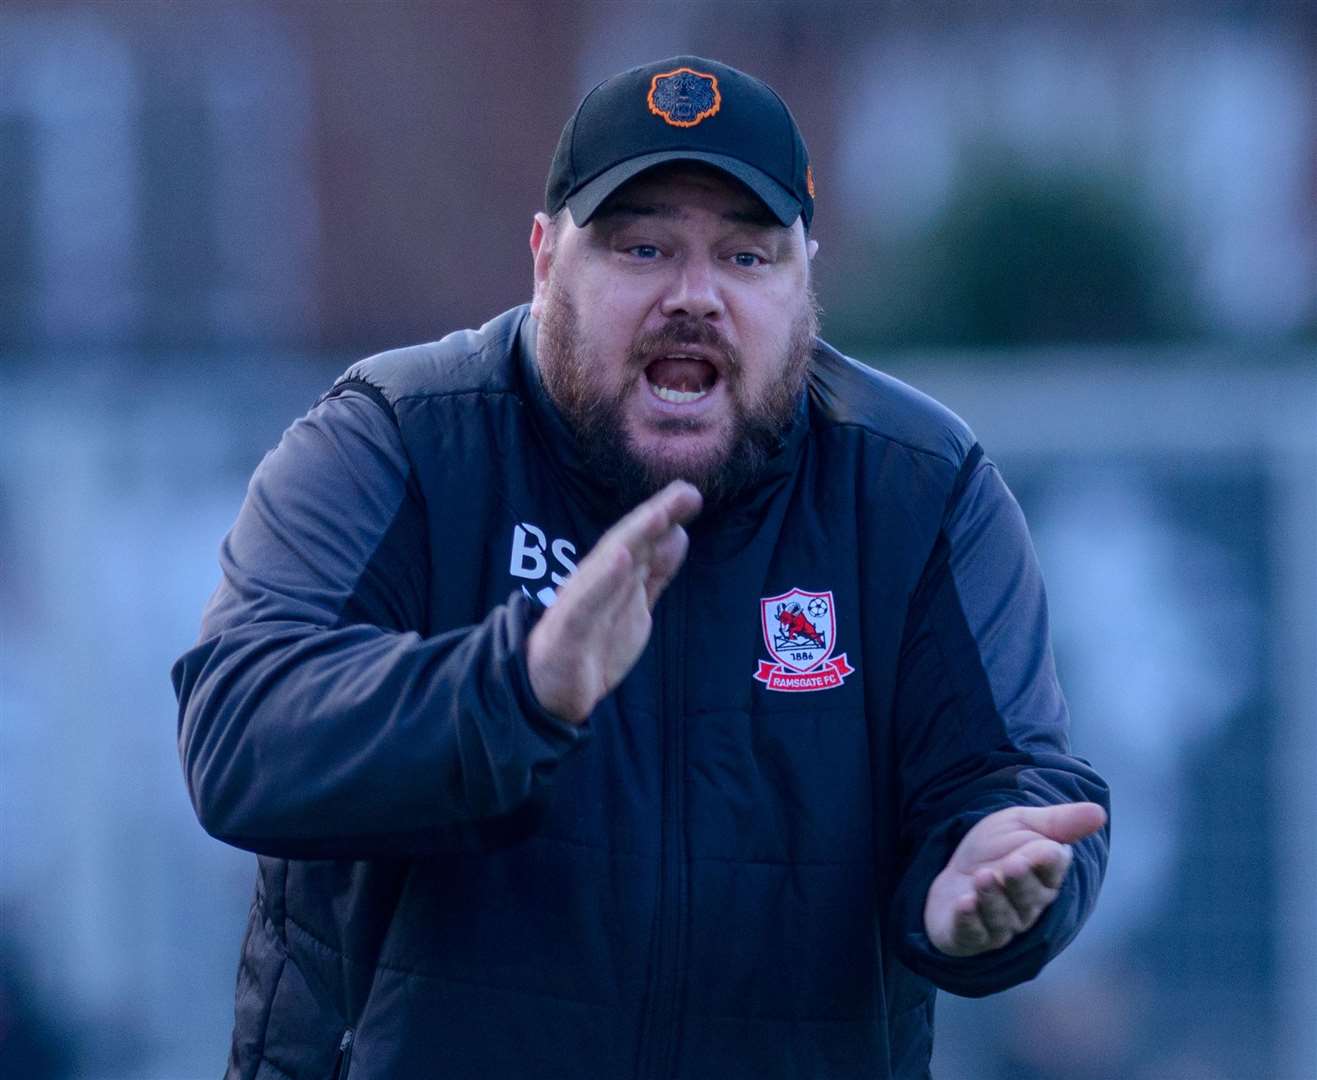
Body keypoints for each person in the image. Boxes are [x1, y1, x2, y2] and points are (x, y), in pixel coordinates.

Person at [173, 55, 1109, 1080]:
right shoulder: (399, 443)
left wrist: (995, 889)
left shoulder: (918, 492)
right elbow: (240, 731)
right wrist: (514, 691)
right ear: (543, 262)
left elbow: (1016, 784)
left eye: (748, 258)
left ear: (808, 286)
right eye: (643, 246)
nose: (694, 297)